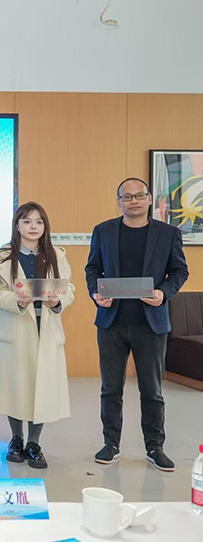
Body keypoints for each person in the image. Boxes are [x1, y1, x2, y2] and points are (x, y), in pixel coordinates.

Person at [85, 177, 189, 472]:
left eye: (139, 195)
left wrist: (163, 293)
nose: (133, 201)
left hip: (151, 324)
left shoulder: (168, 233)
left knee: (152, 391)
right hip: (112, 323)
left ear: (149, 198)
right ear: (119, 201)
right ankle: (111, 443)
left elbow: (179, 271)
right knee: (110, 389)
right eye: (127, 197)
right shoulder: (104, 231)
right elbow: (93, 267)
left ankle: (155, 447)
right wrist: (95, 293)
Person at [0, 202, 75, 469]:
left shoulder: (56, 255)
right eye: (27, 221)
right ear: (17, 225)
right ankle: (16, 439)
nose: (33, 227)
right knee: (16, 386)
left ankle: (34, 443)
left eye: (39, 222)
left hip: (45, 328)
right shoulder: (2, 256)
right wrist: (17, 300)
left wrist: (57, 301)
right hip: (16, 327)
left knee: (42, 387)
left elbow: (68, 289)